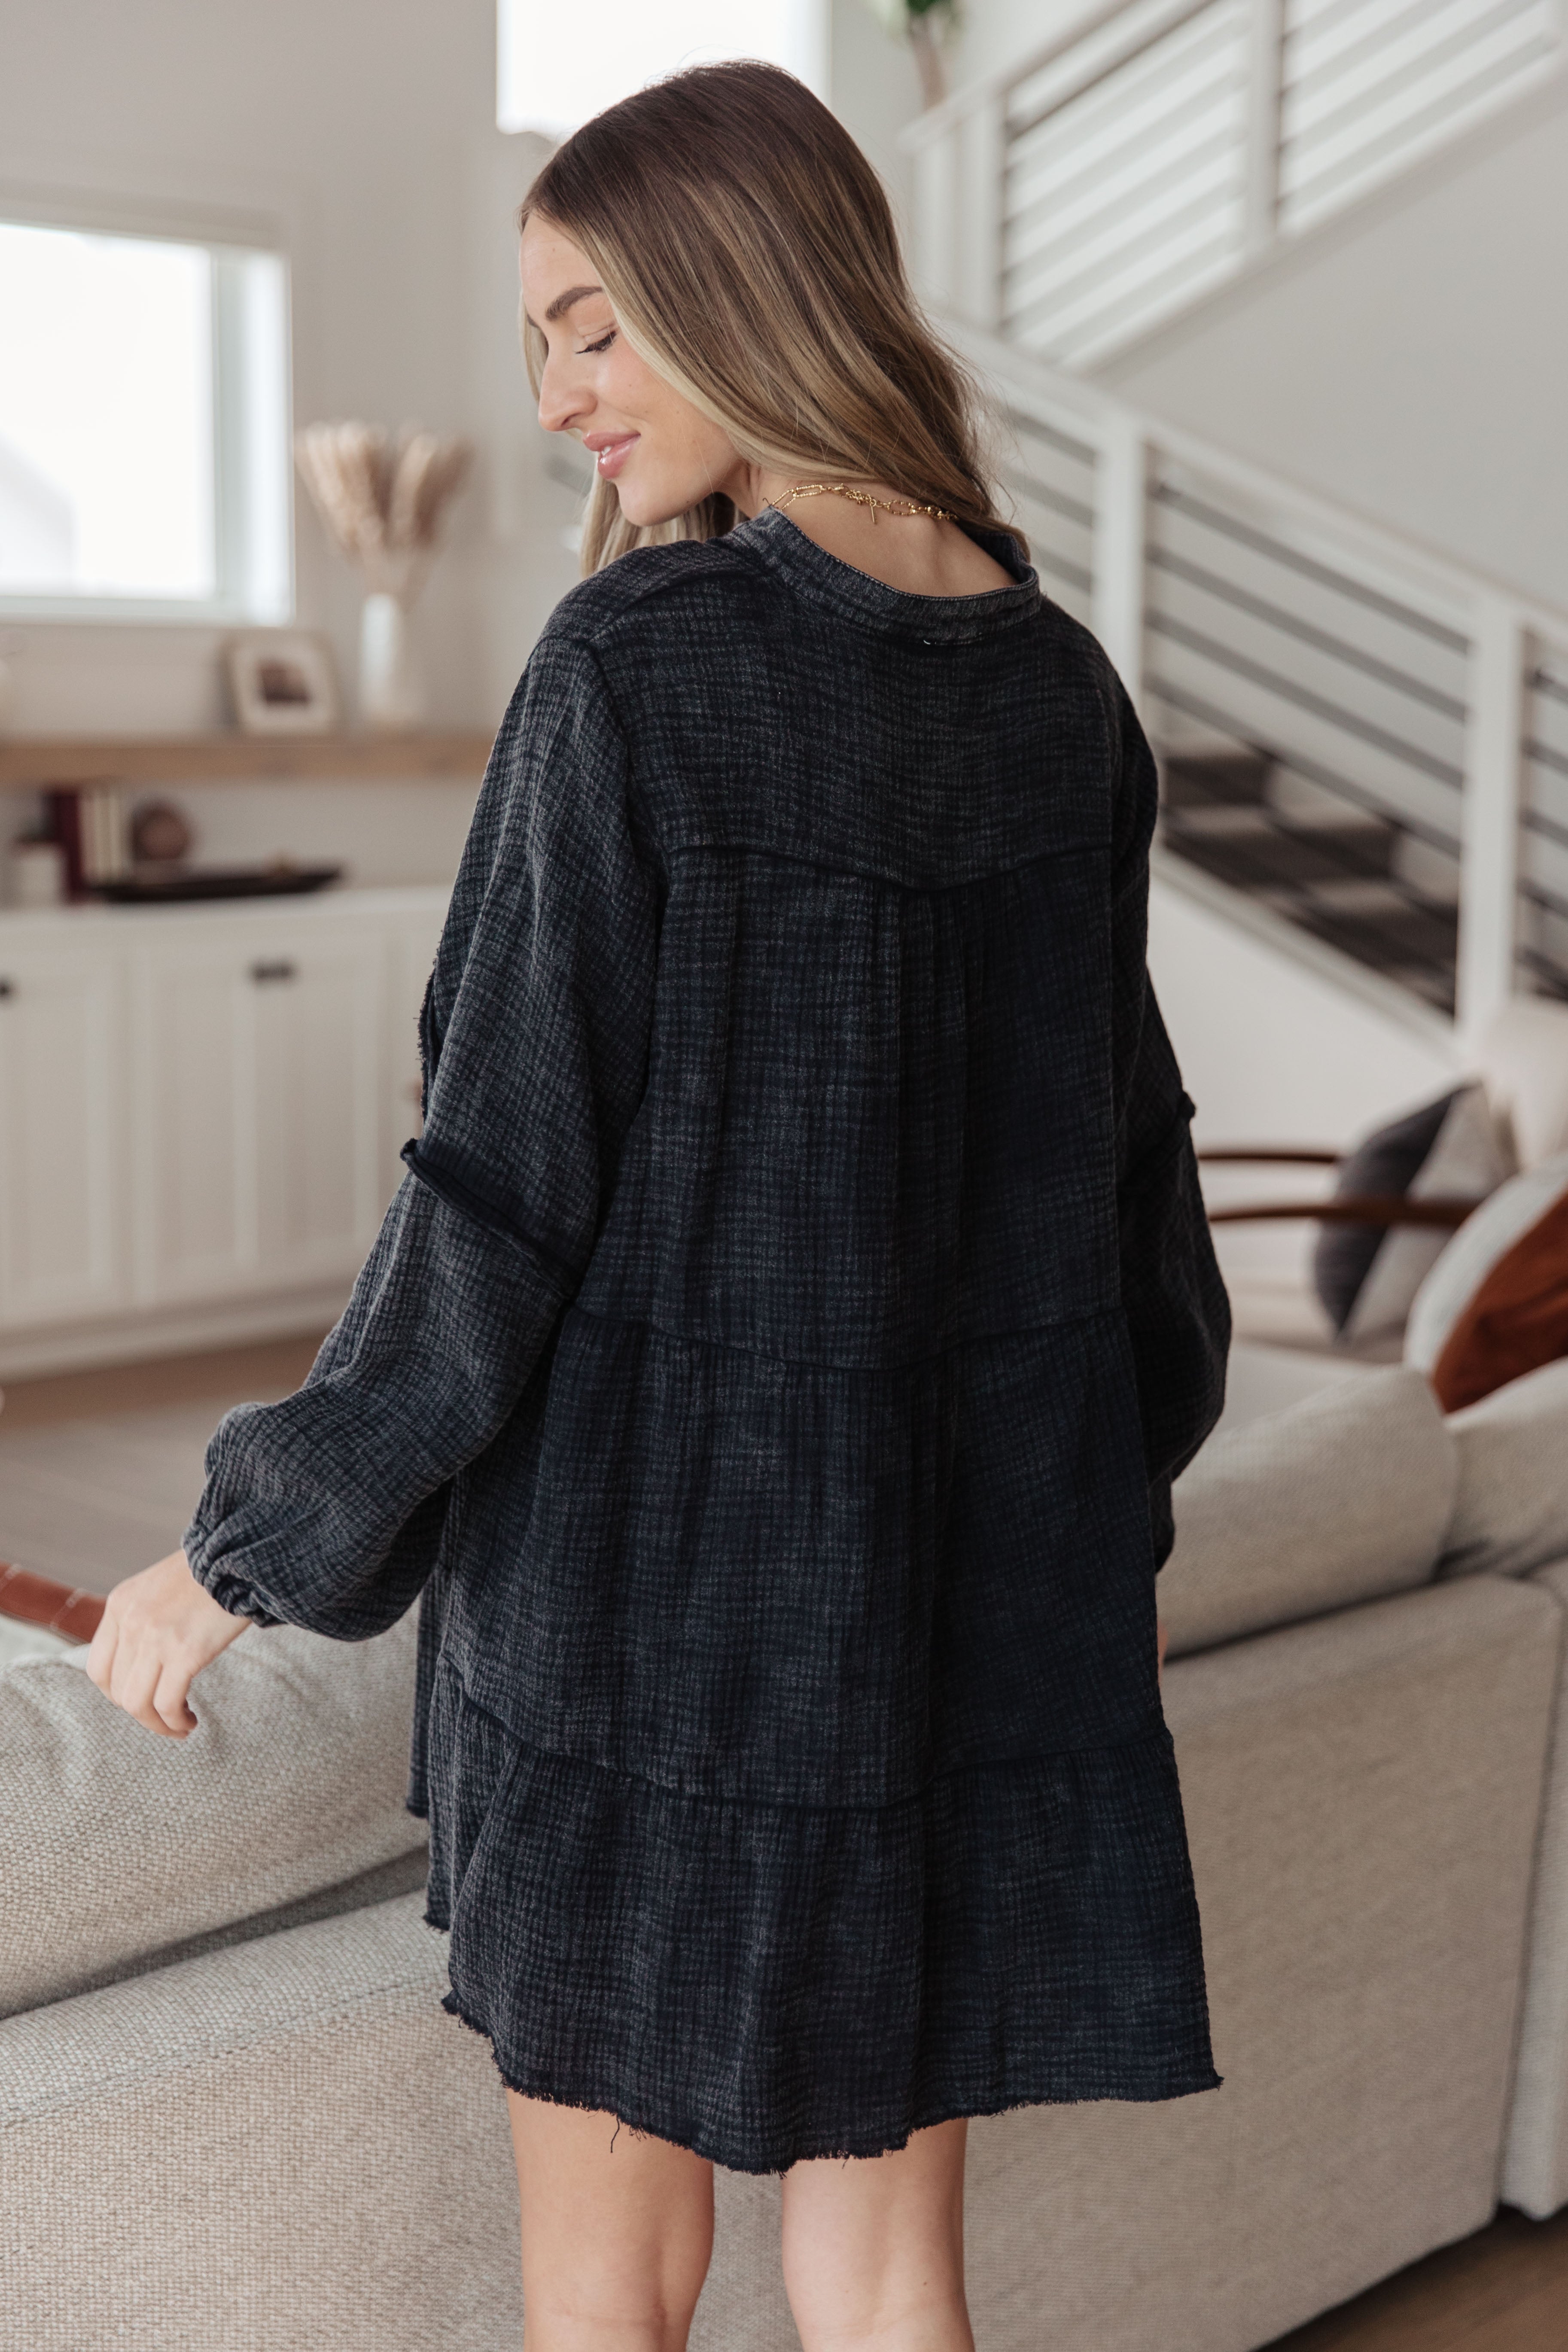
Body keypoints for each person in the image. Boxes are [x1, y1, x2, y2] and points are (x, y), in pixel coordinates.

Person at [87, 61, 1230, 2352]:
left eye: (597, 324)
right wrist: (1054, 1518)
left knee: (612, 2283)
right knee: (894, 2269)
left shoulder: (637, 670)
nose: (558, 398)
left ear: (748, 284)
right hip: (951, 1622)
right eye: (539, 342)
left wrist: (245, 1542)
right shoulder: (1060, 693)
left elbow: (499, 1183)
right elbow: (1136, 1198)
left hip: (648, 1628)